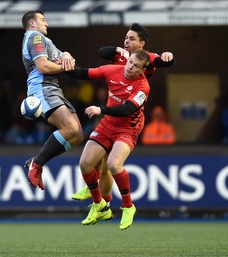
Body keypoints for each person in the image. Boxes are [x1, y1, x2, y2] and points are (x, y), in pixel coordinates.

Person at [71, 23, 174, 205]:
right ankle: (98, 195)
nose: (127, 41)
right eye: (126, 37)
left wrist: (169, 56)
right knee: (96, 158)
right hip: (112, 110)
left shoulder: (145, 59)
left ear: (141, 44)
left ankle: (108, 202)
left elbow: (163, 61)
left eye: (132, 39)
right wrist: (117, 49)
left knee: (109, 163)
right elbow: (102, 52)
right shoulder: (120, 56)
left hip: (128, 115)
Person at [68, 50, 151, 230]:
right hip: (107, 126)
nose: (130, 67)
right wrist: (62, 65)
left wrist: (100, 110)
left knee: (113, 165)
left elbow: (126, 109)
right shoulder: (113, 70)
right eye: (130, 62)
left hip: (128, 128)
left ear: (142, 71)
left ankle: (128, 206)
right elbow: (84, 73)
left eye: (136, 66)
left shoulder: (142, 87)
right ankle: (100, 205)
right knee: (85, 163)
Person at [21, 10, 84, 190]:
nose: (46, 23)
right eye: (42, 20)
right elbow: (43, 66)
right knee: (70, 128)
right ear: (32, 23)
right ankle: (37, 164)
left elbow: (62, 57)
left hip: (53, 89)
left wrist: (66, 54)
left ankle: (36, 161)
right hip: (42, 89)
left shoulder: (44, 40)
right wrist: (64, 66)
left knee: (78, 135)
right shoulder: (35, 37)